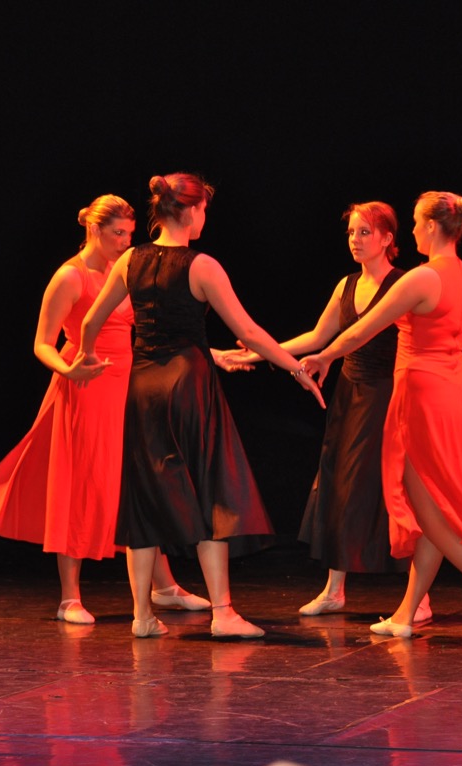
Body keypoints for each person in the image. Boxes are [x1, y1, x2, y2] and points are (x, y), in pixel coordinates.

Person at [80, 173, 325, 639]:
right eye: (204, 209)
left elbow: (92, 319)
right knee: (212, 490)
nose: (205, 217)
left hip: (144, 386)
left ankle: (142, 617)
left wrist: (86, 356)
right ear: (191, 211)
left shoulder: (129, 259)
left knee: (145, 498)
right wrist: (295, 369)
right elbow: (249, 331)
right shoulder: (201, 265)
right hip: (188, 386)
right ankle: (223, 613)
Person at [0, 194, 209, 626]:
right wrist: (68, 369)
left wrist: (204, 355)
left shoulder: (124, 270)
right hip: (85, 386)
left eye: (129, 234)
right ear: (93, 230)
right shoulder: (70, 276)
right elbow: (42, 342)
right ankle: (69, 598)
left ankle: (164, 586)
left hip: (128, 383)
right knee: (78, 484)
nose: (125, 241)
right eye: (118, 233)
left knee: (135, 483)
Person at [301, 191, 462, 644]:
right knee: (432, 507)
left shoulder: (423, 277)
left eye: (419, 223)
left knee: (429, 511)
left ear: (433, 227)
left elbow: (362, 330)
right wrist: (450, 380)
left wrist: (323, 357)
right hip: (454, 395)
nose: (415, 230)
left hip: (421, 396)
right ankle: (406, 613)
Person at [218, 201, 431, 624]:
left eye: (365, 232)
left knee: (392, 491)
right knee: (337, 486)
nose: (355, 240)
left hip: (388, 395)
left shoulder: (403, 284)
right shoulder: (347, 285)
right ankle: (335, 590)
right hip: (350, 395)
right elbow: (318, 336)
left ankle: (418, 597)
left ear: (388, 238)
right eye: (351, 232)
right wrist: (258, 353)